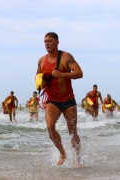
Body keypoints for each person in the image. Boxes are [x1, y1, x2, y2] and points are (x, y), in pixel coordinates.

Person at [36, 32, 83, 166]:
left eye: (50, 41)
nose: (47, 43)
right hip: (52, 101)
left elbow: (79, 73)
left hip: (68, 100)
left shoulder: (66, 57)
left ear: (57, 42)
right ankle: (62, 152)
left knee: (72, 132)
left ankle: (78, 158)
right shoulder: (41, 61)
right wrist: (41, 82)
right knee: (50, 127)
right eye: (45, 41)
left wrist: (62, 74)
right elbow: (38, 78)